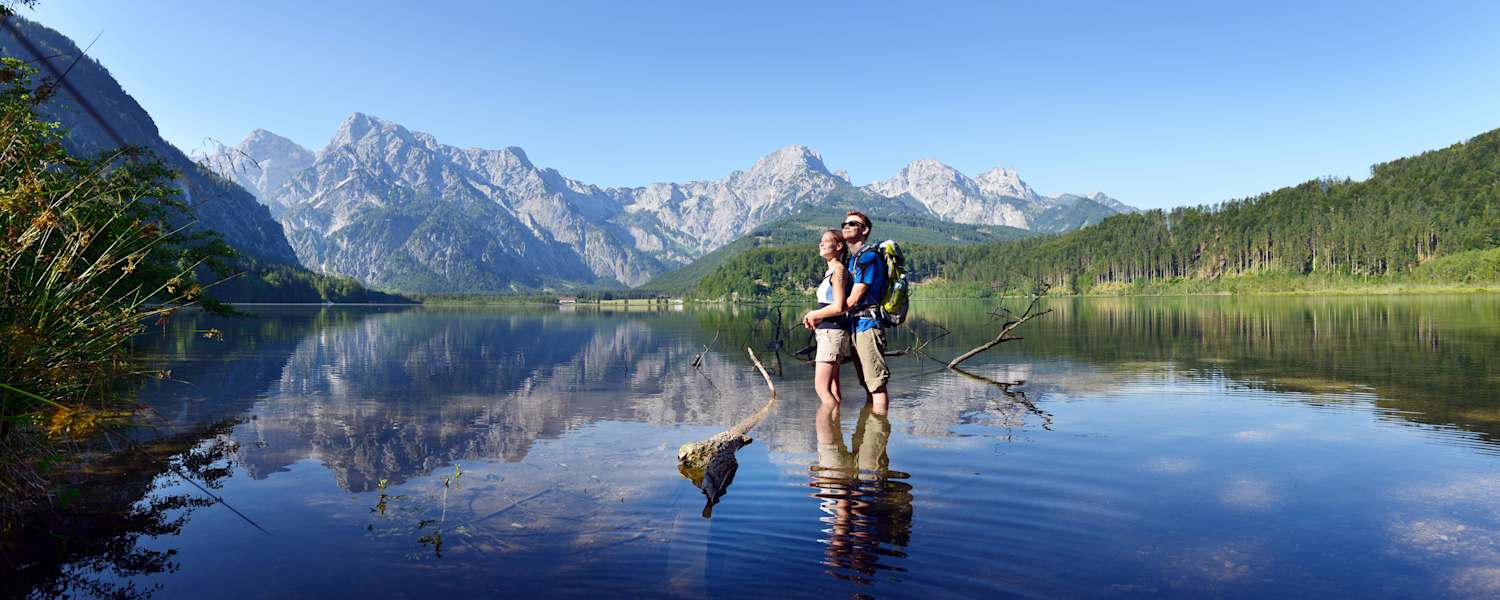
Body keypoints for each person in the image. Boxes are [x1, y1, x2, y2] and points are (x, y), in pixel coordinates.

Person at [840, 211, 889, 414]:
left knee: (876, 384)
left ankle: (878, 432)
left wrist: (820, 314)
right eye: (845, 223)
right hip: (856, 326)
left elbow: (854, 299)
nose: (847, 226)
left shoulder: (868, 257)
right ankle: (871, 432)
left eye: (853, 223)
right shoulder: (853, 259)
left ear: (865, 230)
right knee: (867, 383)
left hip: (868, 325)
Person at [801, 230, 851, 408]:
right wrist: (817, 317)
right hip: (829, 332)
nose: (821, 244)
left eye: (825, 241)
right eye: (820, 241)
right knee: (832, 388)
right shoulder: (832, 272)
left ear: (838, 246)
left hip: (833, 333)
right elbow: (831, 306)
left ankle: (826, 434)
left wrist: (814, 314)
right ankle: (835, 431)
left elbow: (839, 306)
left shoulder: (838, 271)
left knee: (821, 388)